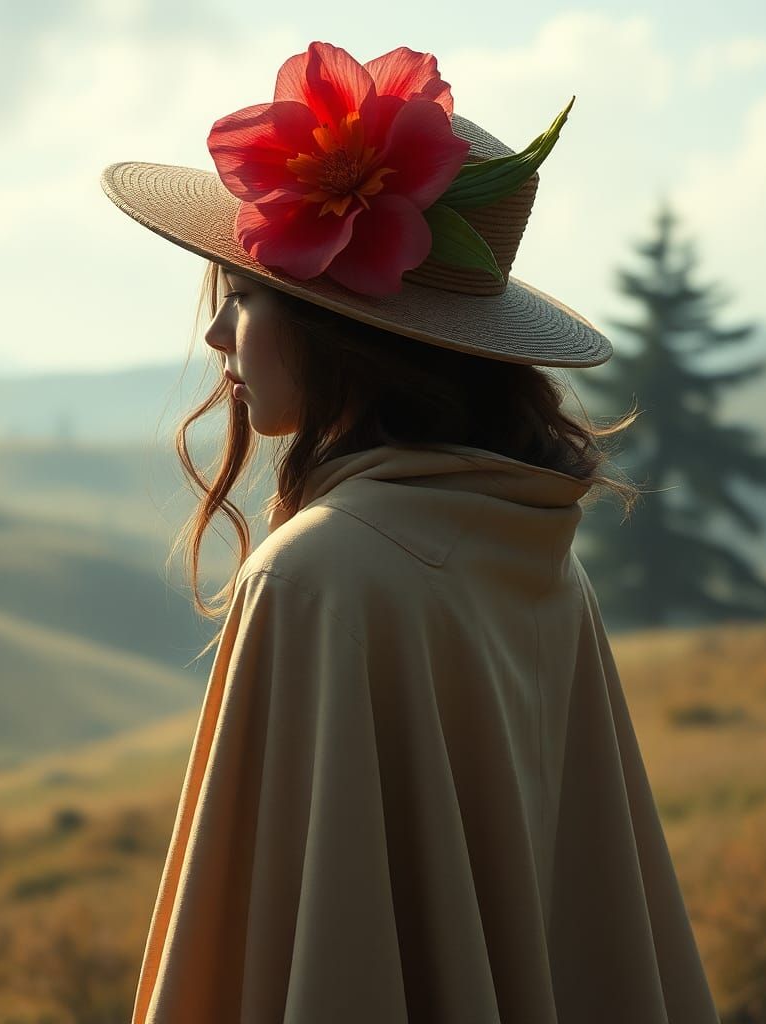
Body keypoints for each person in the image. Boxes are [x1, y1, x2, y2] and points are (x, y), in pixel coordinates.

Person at [101, 41, 720, 1024]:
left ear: (345, 333)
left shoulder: (319, 575)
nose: (221, 338)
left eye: (250, 298)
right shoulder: (535, 551)